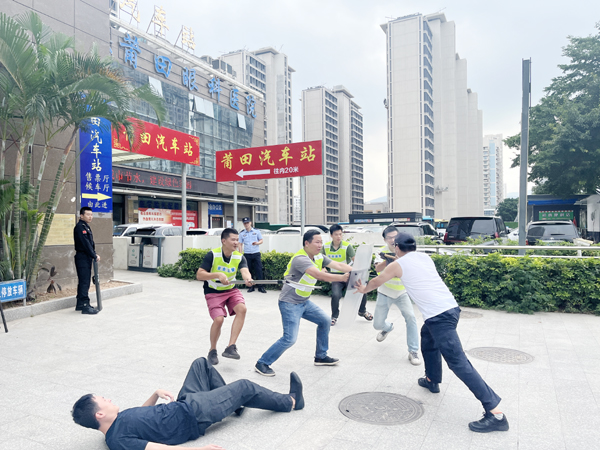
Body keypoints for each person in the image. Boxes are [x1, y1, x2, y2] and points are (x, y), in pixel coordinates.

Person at [354, 233, 509, 433]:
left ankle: (496, 413)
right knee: (427, 337)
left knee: (458, 362)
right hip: (450, 309)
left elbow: (377, 281)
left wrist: (363, 289)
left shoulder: (397, 265)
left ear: (397, 248)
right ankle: (432, 380)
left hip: (439, 317)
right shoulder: (425, 257)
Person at [71, 357, 304, 450]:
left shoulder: (117, 423)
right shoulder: (118, 441)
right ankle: (292, 402)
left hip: (184, 403)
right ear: (99, 415)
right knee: (245, 386)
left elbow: (141, 415)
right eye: (103, 400)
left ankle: (235, 405)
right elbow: (157, 449)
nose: (108, 399)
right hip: (194, 413)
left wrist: (155, 394)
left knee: (201, 364)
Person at [254, 229, 352, 377]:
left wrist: (357, 271)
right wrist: (342, 278)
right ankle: (262, 363)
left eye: (321, 242)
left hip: (304, 302)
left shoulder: (318, 256)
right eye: (317, 242)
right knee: (289, 338)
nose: (320, 245)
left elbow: (339, 265)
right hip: (290, 303)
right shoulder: (300, 259)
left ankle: (321, 356)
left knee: (325, 321)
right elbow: (318, 275)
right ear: (307, 243)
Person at [196, 228, 253, 365]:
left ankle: (230, 347)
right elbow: (199, 275)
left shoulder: (239, 256)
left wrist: (248, 279)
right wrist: (217, 275)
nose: (236, 242)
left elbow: (245, 271)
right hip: (213, 291)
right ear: (223, 241)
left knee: (242, 309)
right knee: (219, 320)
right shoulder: (212, 255)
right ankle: (212, 350)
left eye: (237, 240)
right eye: (233, 239)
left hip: (231, 290)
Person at [372, 226, 421, 366]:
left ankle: (413, 351)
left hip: (402, 292)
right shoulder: (381, 251)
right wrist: (388, 259)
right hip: (385, 291)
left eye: (395, 237)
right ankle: (388, 328)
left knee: (411, 318)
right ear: (384, 239)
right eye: (389, 237)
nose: (393, 240)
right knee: (377, 324)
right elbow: (377, 268)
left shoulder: (406, 250)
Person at [323, 224, 373, 326]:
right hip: (336, 276)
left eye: (340, 234)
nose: (338, 236)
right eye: (336, 234)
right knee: (336, 295)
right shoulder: (325, 247)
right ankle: (334, 316)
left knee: (362, 289)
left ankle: (362, 311)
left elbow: (356, 261)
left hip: (349, 275)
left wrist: (359, 273)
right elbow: (319, 261)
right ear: (331, 235)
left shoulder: (347, 246)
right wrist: (323, 269)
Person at [73, 206, 100, 315]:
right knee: (84, 282)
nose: (90, 217)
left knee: (84, 281)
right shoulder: (80, 227)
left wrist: (93, 254)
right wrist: (94, 255)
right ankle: (85, 305)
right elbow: (86, 244)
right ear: (81, 215)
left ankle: (80, 304)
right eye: (88, 214)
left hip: (86, 257)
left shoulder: (85, 226)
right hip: (82, 257)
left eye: (91, 215)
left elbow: (90, 244)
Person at [238, 217, 266, 294]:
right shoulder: (242, 233)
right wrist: (240, 254)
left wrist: (257, 243)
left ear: (250, 223)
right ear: (243, 224)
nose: (246, 224)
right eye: (245, 223)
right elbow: (240, 244)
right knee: (249, 271)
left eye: (247, 223)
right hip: (247, 254)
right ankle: (251, 287)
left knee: (259, 270)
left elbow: (261, 240)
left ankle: (261, 287)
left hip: (256, 253)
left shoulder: (256, 231)